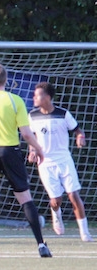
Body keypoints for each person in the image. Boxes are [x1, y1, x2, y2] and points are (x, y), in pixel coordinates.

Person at [0, 63, 51, 258]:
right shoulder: (15, 100)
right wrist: (39, 149)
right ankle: (41, 245)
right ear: (6, 80)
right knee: (25, 198)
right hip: (10, 151)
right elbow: (27, 134)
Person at [28, 81, 90, 241]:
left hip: (64, 160)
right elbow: (31, 137)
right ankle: (56, 214)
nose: (34, 98)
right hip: (45, 163)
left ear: (48, 97)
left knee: (73, 195)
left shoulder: (63, 114)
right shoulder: (32, 116)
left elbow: (78, 130)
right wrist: (32, 151)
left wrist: (80, 137)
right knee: (56, 201)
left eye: (38, 95)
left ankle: (85, 233)